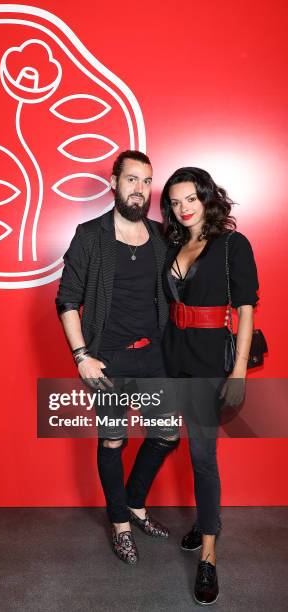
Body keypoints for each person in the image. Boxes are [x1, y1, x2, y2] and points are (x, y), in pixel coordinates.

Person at [56, 150, 179, 565]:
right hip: (108, 359)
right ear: (113, 183)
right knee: (113, 439)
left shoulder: (164, 236)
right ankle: (120, 524)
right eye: (131, 180)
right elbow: (67, 301)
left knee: (166, 434)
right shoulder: (90, 236)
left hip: (156, 357)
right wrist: (81, 357)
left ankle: (135, 504)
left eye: (146, 181)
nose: (139, 189)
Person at [160, 167, 259, 605]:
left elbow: (245, 309)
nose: (183, 208)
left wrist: (237, 370)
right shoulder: (173, 243)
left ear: (206, 198)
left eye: (191, 199)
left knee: (202, 455)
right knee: (179, 444)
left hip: (208, 362)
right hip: (171, 355)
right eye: (176, 201)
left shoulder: (232, 245)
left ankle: (209, 555)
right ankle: (203, 520)